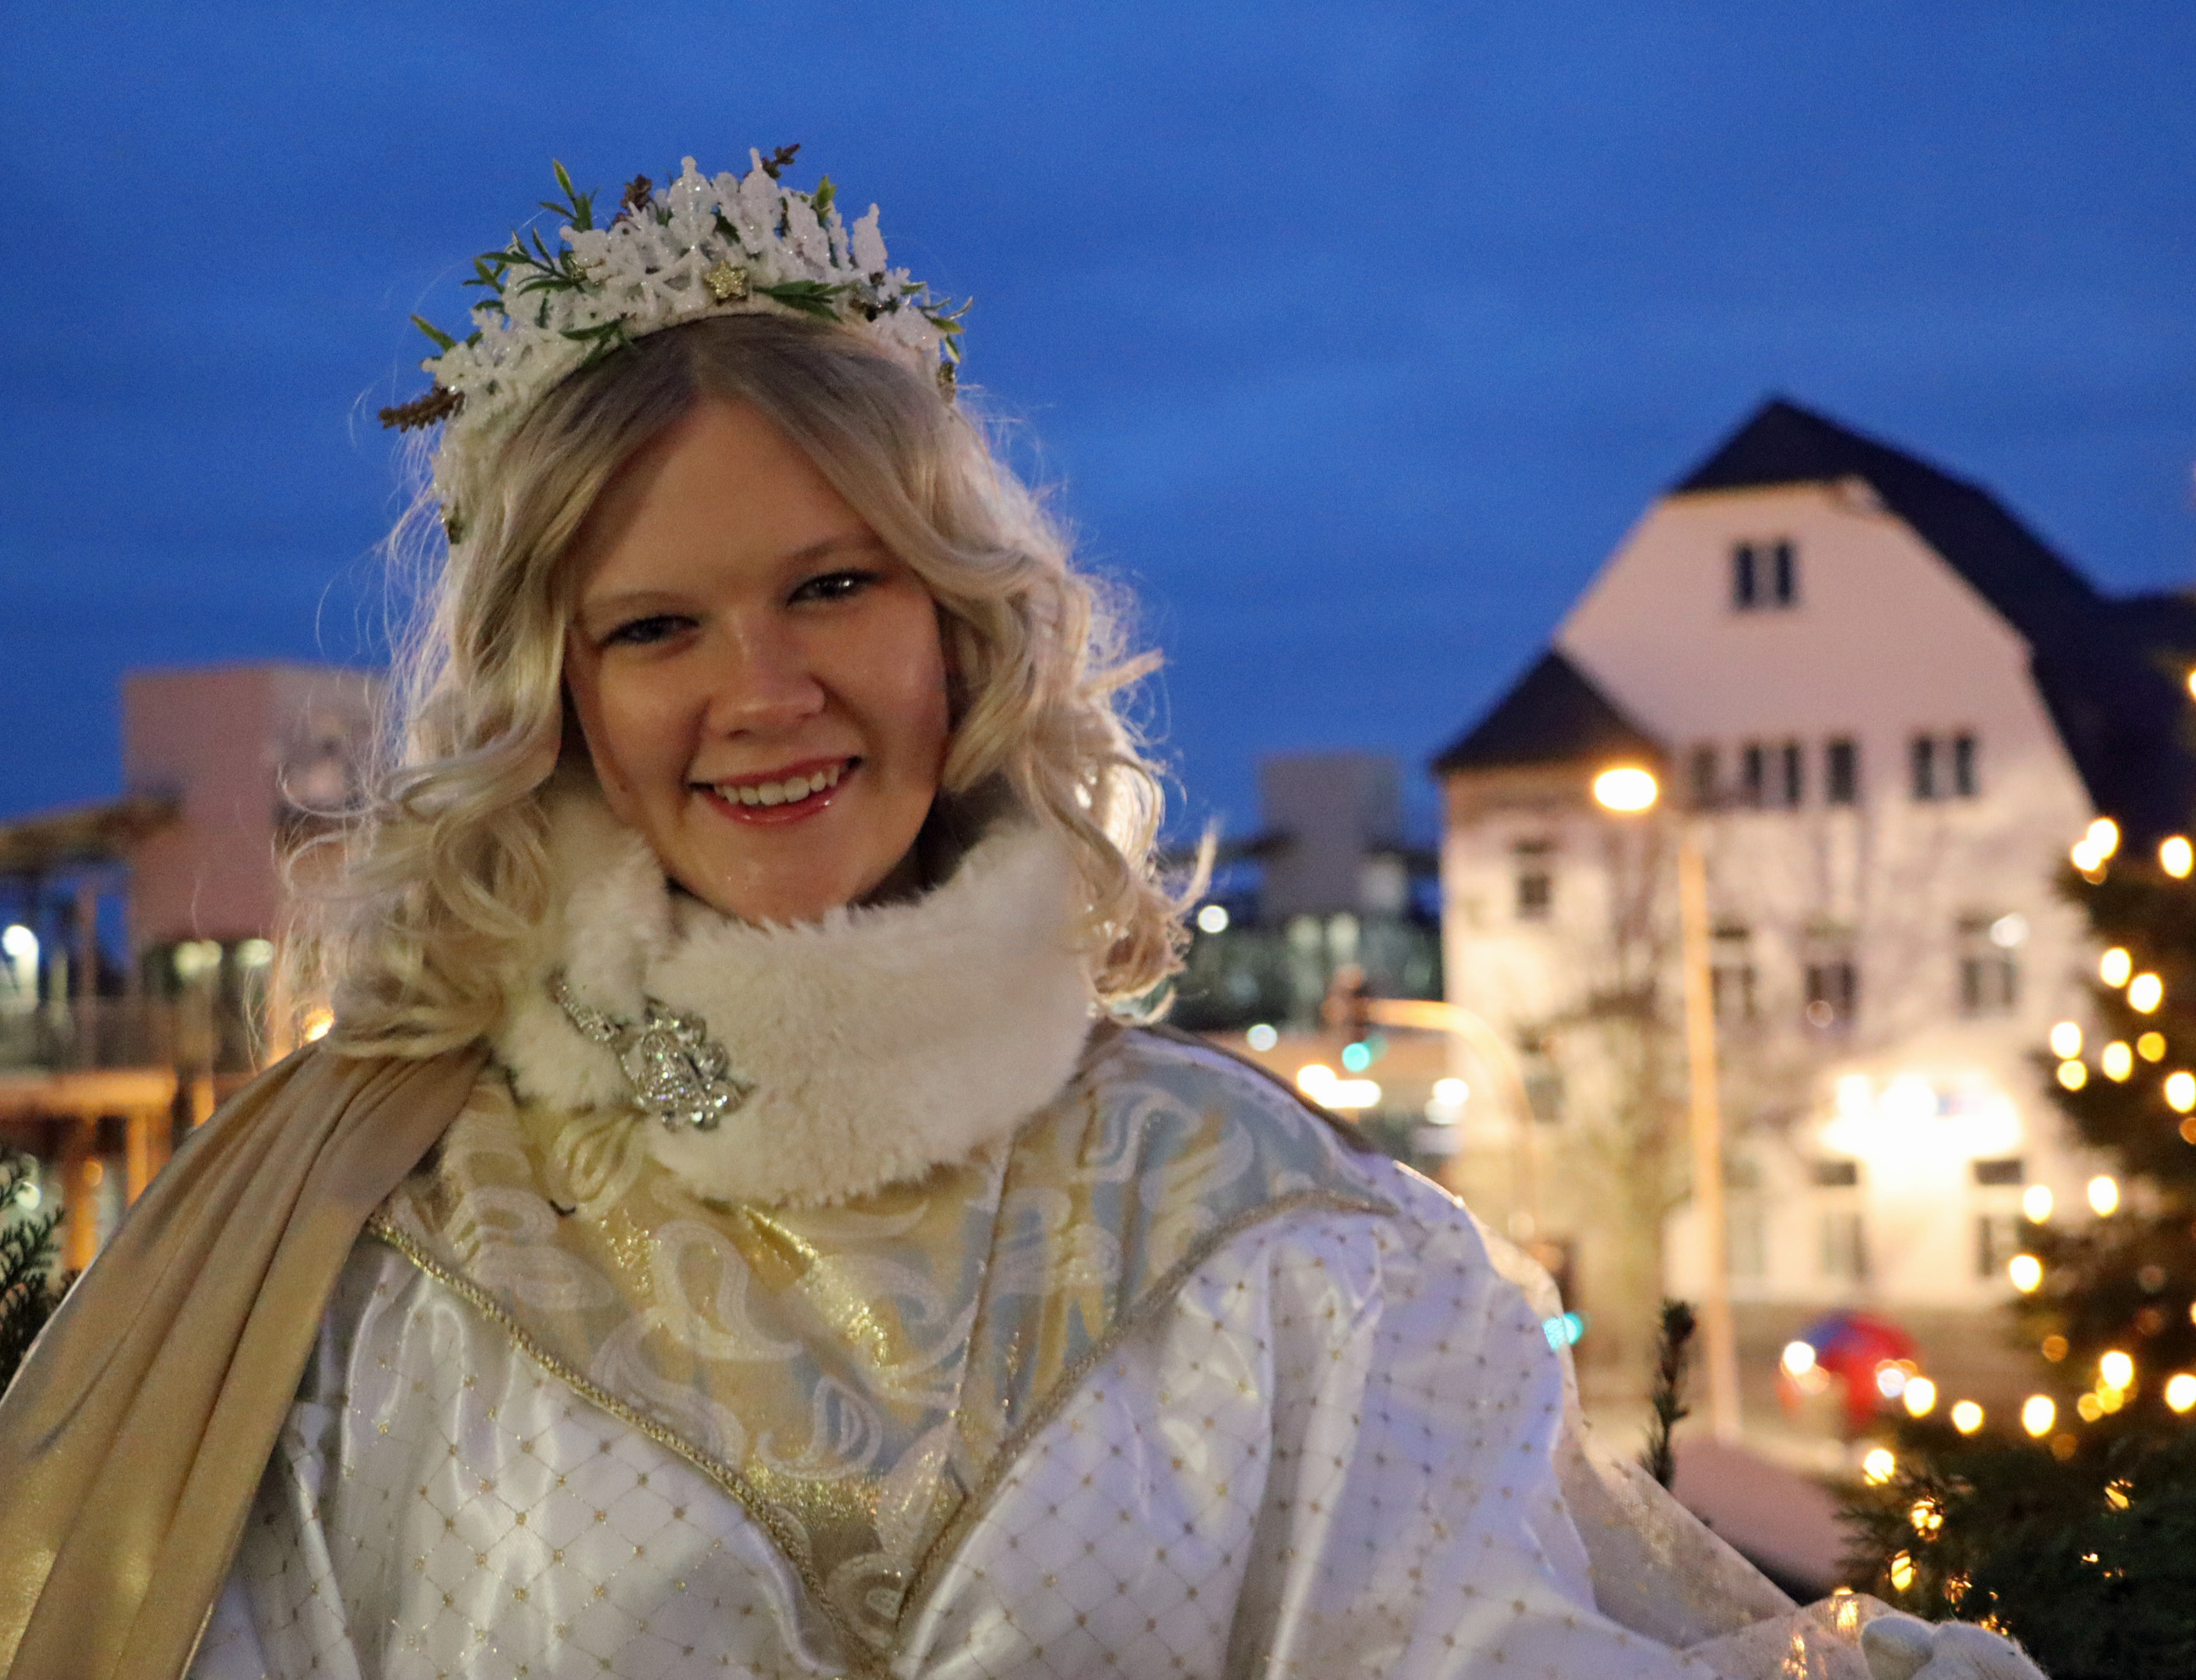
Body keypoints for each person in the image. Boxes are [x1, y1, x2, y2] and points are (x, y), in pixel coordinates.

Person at [0, 150, 2038, 1680]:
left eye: (833, 584)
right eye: (653, 626)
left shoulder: (1287, 1240)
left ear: (964, 633)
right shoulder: (374, 1244)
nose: (762, 690)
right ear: (557, 700)